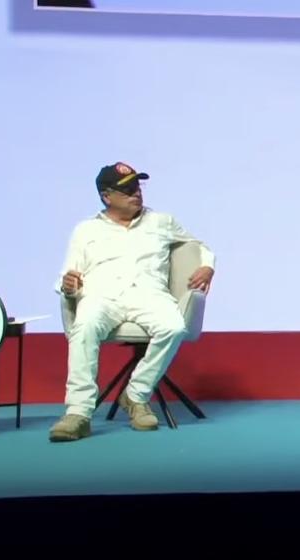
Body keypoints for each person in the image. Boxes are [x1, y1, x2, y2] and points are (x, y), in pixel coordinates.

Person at [49, 162, 215, 442]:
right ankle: (78, 413)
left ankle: (136, 395)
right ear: (106, 196)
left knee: (174, 327)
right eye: (127, 189)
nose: (136, 193)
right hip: (102, 295)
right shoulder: (86, 230)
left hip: (149, 294)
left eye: (137, 186)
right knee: (85, 326)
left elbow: (199, 247)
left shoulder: (162, 222)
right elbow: (68, 274)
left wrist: (207, 266)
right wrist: (68, 286)